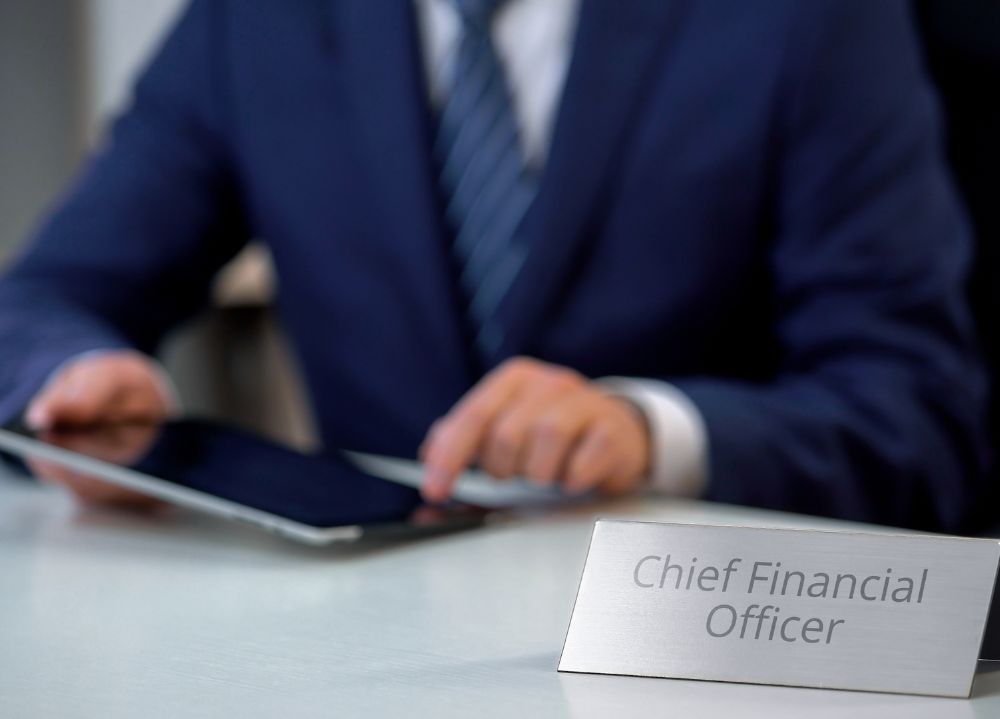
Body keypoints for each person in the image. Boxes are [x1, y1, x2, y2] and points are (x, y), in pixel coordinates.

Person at [0, 0, 988, 531]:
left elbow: (916, 407)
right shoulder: (254, 21)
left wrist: (654, 429)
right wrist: (70, 378)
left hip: (699, 638)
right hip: (367, 650)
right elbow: (45, 296)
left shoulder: (804, 20)